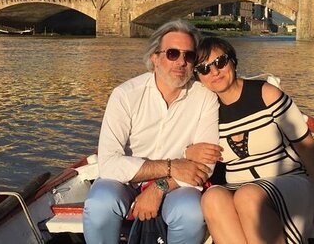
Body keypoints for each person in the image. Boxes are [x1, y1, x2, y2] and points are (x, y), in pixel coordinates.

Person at [188, 36, 314, 244]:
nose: (215, 72)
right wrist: (188, 152)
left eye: (220, 62)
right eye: (204, 69)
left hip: (288, 182)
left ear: (232, 61)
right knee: (212, 198)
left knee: (248, 196)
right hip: (238, 186)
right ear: (199, 77)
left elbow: (306, 145)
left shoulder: (265, 94)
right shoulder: (207, 111)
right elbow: (184, 144)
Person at [83, 20, 220, 244]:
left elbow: (206, 165)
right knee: (100, 204)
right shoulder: (125, 95)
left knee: (191, 213)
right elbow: (108, 163)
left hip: (176, 184)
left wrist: (159, 186)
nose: (181, 62)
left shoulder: (205, 98)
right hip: (126, 181)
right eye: (173, 54)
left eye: (189, 55)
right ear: (155, 58)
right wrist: (171, 165)